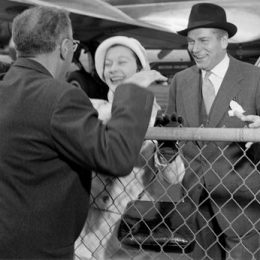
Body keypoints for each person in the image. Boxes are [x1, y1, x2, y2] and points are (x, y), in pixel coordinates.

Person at [0, 6, 167, 258]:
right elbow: (116, 157)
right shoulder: (60, 97)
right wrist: (130, 92)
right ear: (65, 47)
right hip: (43, 247)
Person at [166, 3, 260, 259]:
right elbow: (172, 137)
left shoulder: (254, 78)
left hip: (243, 206)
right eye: (190, 42)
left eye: (203, 40)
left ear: (224, 41)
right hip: (195, 202)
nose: (195, 49)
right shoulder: (180, 81)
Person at [74, 35, 166, 259]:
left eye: (122, 62)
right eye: (107, 64)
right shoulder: (94, 108)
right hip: (88, 220)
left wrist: (168, 152)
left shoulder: (158, 117)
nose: (113, 69)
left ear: (140, 67)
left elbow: (174, 177)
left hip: (131, 224)